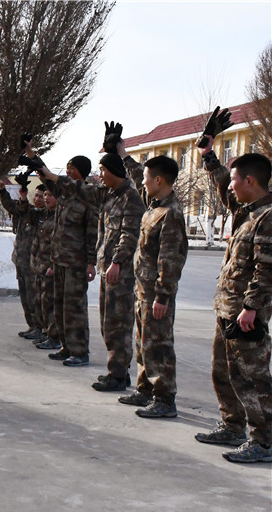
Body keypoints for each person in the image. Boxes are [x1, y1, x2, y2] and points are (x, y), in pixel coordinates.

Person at [195, 138, 272, 463]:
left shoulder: (267, 217)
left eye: (237, 181)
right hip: (228, 309)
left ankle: (264, 441)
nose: (231, 188)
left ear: (250, 181)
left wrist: (251, 307)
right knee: (223, 372)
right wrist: (208, 155)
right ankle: (232, 425)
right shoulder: (247, 212)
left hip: (246, 314)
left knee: (253, 380)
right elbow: (224, 183)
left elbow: (266, 269)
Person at [116, 153, 188, 418]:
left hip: (157, 295)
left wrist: (163, 296)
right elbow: (138, 178)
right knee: (143, 344)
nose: (142, 183)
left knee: (159, 346)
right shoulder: (155, 206)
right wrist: (124, 155)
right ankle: (145, 389)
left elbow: (170, 260)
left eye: (147, 178)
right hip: (143, 292)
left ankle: (165, 399)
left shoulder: (170, 214)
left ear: (159, 180)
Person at [23, 140, 100, 367]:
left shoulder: (89, 197)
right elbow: (48, 177)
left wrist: (90, 262)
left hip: (76, 263)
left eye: (72, 169)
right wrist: (32, 155)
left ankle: (80, 351)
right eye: (66, 168)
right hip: (59, 261)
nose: (67, 172)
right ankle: (65, 346)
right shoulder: (65, 196)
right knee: (60, 306)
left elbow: (91, 233)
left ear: (82, 172)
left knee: (75, 309)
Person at [92, 151, 146, 392]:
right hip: (107, 269)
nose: (100, 175)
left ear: (114, 170)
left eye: (103, 170)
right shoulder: (111, 196)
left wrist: (117, 261)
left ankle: (119, 374)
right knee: (107, 323)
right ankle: (116, 371)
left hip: (120, 272)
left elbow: (129, 233)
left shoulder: (130, 198)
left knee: (119, 323)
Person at [0, 176, 41, 339]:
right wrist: (2, 191)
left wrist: (23, 199)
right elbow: (11, 206)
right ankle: (32, 325)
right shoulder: (24, 211)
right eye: (35, 195)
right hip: (21, 260)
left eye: (41, 196)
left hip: (34, 263)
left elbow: (26, 210)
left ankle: (39, 326)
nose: (37, 199)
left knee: (34, 297)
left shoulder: (40, 215)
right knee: (25, 296)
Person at [31, 184, 61, 350]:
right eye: (45, 195)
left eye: (50, 195)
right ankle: (45, 332)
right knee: (41, 302)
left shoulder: (59, 217)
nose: (46, 198)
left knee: (50, 303)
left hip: (50, 266)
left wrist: (52, 264)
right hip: (40, 265)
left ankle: (54, 336)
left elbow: (59, 244)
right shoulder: (45, 215)